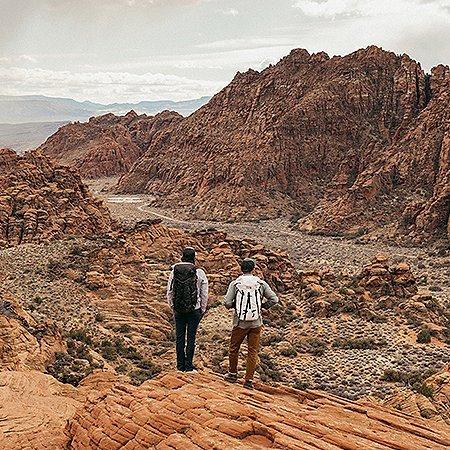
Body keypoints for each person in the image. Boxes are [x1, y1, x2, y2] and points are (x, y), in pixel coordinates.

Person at [223, 258, 279, 389]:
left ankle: (232, 374)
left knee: (234, 348)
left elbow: (226, 302)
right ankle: (248, 381)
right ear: (253, 269)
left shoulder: (235, 283)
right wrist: (263, 307)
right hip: (256, 322)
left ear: (241, 269)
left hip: (240, 322)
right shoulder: (260, 283)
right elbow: (274, 299)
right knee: (252, 352)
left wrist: (235, 306)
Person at [167, 247, 208, 372]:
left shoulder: (175, 271)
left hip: (178, 309)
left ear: (182, 257)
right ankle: (189, 367)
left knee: (179, 337)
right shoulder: (199, 272)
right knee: (191, 337)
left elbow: (170, 291)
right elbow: (204, 293)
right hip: (194, 309)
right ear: (194, 258)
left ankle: (180, 367)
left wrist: (172, 305)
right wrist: (202, 308)